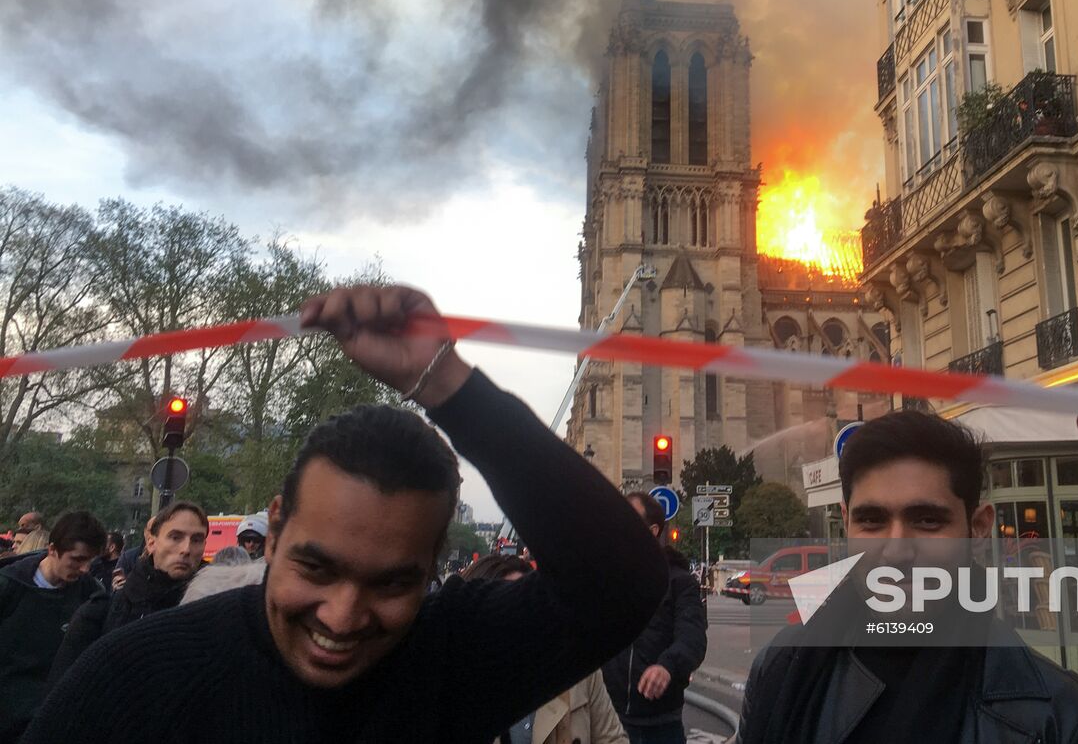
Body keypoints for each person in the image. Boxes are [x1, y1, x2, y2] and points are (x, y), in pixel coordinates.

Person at [24, 284, 668, 744]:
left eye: (392, 582)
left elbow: (621, 580)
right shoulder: (135, 677)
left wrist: (445, 382)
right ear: (274, 528)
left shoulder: (445, 661)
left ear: (432, 570)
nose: (342, 615)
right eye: (318, 566)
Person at [737, 410, 1078, 744]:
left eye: (927, 520)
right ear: (846, 523)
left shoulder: (1070, 724)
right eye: (872, 520)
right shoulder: (780, 666)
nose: (896, 550)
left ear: (977, 529)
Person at [464, 554, 628, 744]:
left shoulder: (581, 674)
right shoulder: (449, 692)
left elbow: (613, 739)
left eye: (525, 607)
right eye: (503, 613)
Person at [48, 501, 209, 684]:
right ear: (151, 543)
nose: (186, 549)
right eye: (175, 537)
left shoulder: (214, 611)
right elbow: (63, 692)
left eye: (196, 539)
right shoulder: (100, 612)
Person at [602, 492, 707, 744]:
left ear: (652, 531)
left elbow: (692, 636)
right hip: (608, 720)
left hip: (659, 726)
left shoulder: (679, 582)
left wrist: (667, 666)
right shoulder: (607, 580)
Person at [0, 511, 104, 743]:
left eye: (91, 561)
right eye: (77, 559)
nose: (86, 569)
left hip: (56, 718)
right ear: (52, 550)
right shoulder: (8, 587)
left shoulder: (92, 595)